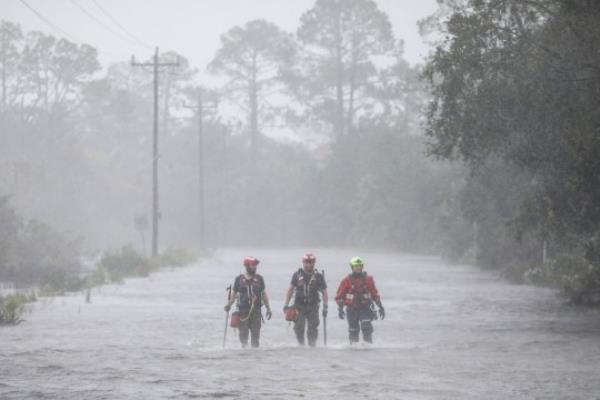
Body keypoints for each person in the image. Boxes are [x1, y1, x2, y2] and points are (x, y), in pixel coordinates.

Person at [224, 256, 272, 348]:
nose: (255, 267)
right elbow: (234, 294)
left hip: (256, 312)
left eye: (255, 265)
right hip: (243, 312)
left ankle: (255, 357)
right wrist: (228, 305)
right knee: (243, 338)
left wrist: (268, 308)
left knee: (255, 338)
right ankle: (244, 356)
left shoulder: (259, 278)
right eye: (252, 265)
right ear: (246, 266)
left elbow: (264, 294)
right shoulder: (239, 279)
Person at [335, 256, 385, 344]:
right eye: (356, 266)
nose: (358, 268)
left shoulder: (368, 279)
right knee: (353, 331)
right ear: (352, 267)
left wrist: (381, 307)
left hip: (365, 308)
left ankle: (368, 347)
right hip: (351, 309)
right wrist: (340, 309)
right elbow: (339, 297)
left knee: (366, 327)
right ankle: (354, 352)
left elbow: (374, 294)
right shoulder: (346, 281)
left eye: (360, 266)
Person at [283, 253, 328, 346]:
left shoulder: (318, 276)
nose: (309, 264)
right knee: (299, 327)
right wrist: (286, 305)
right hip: (299, 306)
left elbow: (324, 292)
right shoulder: (297, 275)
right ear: (303, 263)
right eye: (306, 262)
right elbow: (290, 290)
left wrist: (325, 306)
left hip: (313, 306)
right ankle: (301, 345)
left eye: (311, 262)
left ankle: (312, 347)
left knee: (313, 328)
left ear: (314, 263)